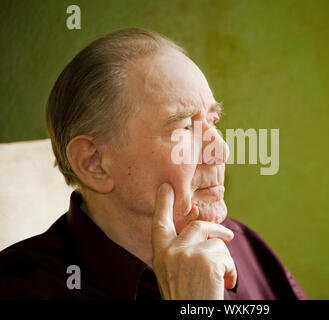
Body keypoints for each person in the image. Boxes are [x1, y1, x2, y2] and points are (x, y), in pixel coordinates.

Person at [0, 28, 307, 300]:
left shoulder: (240, 244)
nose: (222, 150)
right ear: (95, 163)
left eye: (213, 120)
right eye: (184, 127)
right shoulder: (21, 288)